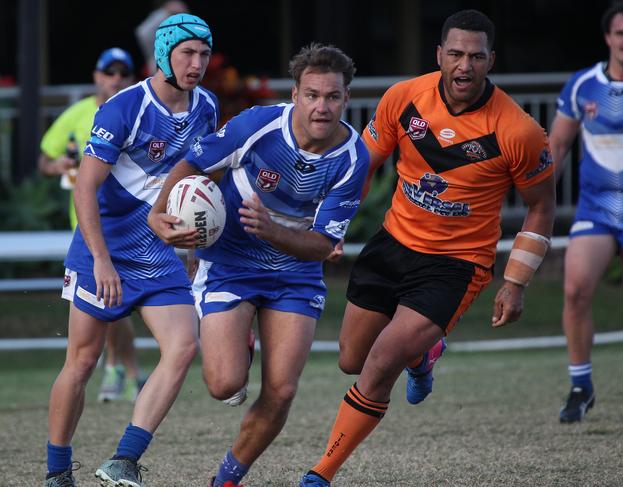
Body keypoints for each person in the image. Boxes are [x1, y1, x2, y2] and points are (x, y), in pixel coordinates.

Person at [299, 10, 556, 487]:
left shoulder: (518, 130)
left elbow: (542, 207)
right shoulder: (404, 98)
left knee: (378, 365)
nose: (464, 66)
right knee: (351, 359)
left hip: (455, 266)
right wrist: (330, 229)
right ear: (439, 55)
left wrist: (515, 281)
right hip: (392, 244)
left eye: (476, 57)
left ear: (490, 60)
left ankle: (320, 474)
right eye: (455, 54)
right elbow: (363, 166)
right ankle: (423, 355)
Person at [148, 43, 369, 487]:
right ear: (295, 94)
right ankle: (241, 341)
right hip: (231, 260)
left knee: (282, 389)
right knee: (223, 384)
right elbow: (194, 163)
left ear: (346, 99)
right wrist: (159, 213)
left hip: (295, 272)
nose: (321, 106)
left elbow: (322, 245)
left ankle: (228, 478)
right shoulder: (259, 125)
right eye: (312, 95)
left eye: (332, 97)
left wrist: (273, 231)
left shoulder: (352, 158)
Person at [44, 14, 218, 487]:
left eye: (203, 54)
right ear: (163, 55)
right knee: (82, 362)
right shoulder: (126, 108)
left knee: (183, 347)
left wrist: (197, 240)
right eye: (187, 53)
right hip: (104, 248)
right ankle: (57, 471)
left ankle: (124, 459)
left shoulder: (206, 106)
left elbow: (195, 177)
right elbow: (84, 188)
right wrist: (100, 259)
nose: (197, 63)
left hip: (157, 250)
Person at [549, 0, 623, 423]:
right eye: (622, 33)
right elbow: (556, 146)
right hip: (596, 208)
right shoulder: (582, 85)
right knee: (575, 290)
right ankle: (580, 386)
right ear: (609, 37)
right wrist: (540, 205)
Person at [39, 47, 146, 404]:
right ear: (97, 76)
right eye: (109, 73)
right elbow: (46, 157)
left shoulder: (135, 110)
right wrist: (59, 166)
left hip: (127, 227)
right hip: (85, 225)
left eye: (123, 74)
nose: (115, 80)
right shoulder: (79, 113)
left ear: (130, 78)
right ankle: (124, 371)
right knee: (109, 304)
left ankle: (121, 369)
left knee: (114, 304)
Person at [135, 0, 189, 77]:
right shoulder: (163, 14)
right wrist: (166, 12)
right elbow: (142, 33)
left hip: (185, 64)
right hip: (161, 66)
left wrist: (185, 17)